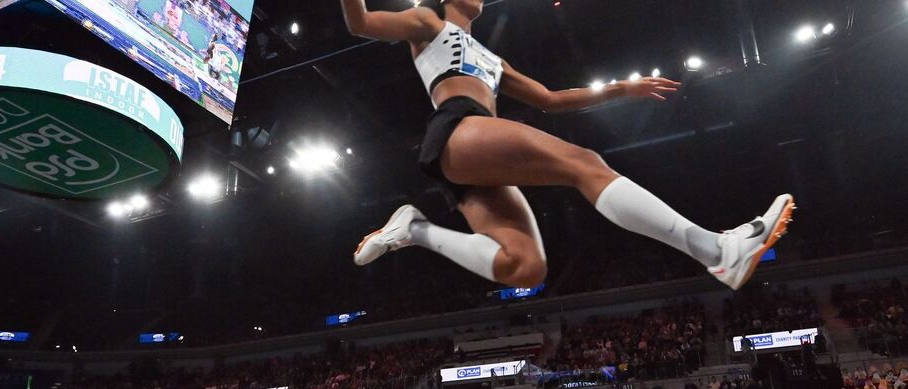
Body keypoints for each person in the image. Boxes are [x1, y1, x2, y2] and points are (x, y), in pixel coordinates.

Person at [341, 0, 795, 291]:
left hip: (475, 150)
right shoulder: (426, 22)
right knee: (583, 163)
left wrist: (621, 88)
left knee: (525, 268)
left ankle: (415, 231)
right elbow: (359, 22)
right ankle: (715, 251)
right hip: (458, 126)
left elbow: (551, 100)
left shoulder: (493, 59)